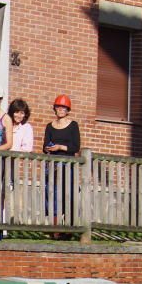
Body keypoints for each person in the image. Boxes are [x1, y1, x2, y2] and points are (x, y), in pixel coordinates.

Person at [43, 94, 81, 225]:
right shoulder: (49, 126)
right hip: (53, 165)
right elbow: (45, 146)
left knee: (68, 194)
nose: (60, 110)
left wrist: (60, 146)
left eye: (63, 108)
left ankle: (69, 226)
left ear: (68, 110)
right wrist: (49, 148)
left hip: (68, 165)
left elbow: (75, 147)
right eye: (58, 107)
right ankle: (56, 227)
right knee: (52, 194)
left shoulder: (73, 125)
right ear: (54, 108)